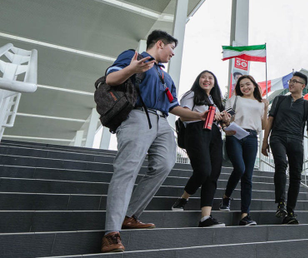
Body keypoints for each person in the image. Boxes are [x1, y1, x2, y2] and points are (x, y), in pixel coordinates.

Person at [101, 30, 207, 253]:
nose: (173, 54)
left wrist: (199, 116)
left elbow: (173, 107)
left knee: (165, 164)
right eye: (172, 49)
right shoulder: (134, 56)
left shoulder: (166, 76)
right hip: (137, 116)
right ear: (160, 44)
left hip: (162, 121)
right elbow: (110, 78)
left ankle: (129, 215)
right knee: (127, 170)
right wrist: (133, 68)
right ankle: (111, 232)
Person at [170, 70, 231, 228]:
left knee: (213, 174)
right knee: (203, 170)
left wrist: (225, 120)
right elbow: (183, 115)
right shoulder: (191, 94)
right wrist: (201, 115)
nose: (207, 80)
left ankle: (206, 217)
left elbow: (224, 126)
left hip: (215, 135)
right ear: (198, 80)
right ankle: (183, 199)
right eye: (203, 77)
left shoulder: (216, 100)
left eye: (210, 78)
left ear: (214, 82)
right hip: (196, 132)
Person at [261, 71, 308, 224]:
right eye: (290, 81)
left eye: (295, 81)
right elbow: (270, 120)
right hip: (278, 137)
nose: (291, 83)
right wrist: (265, 141)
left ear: (302, 86)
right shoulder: (279, 99)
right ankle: (281, 204)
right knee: (281, 164)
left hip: (296, 140)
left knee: (296, 175)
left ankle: (290, 210)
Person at [220, 75, 268, 226]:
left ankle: (245, 215)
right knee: (240, 168)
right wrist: (226, 123)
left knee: (248, 176)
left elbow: (265, 125)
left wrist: (266, 108)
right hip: (235, 134)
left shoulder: (261, 103)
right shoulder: (235, 99)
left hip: (252, 137)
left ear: (254, 85)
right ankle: (226, 197)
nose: (245, 87)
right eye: (242, 86)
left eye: (248, 84)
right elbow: (227, 117)